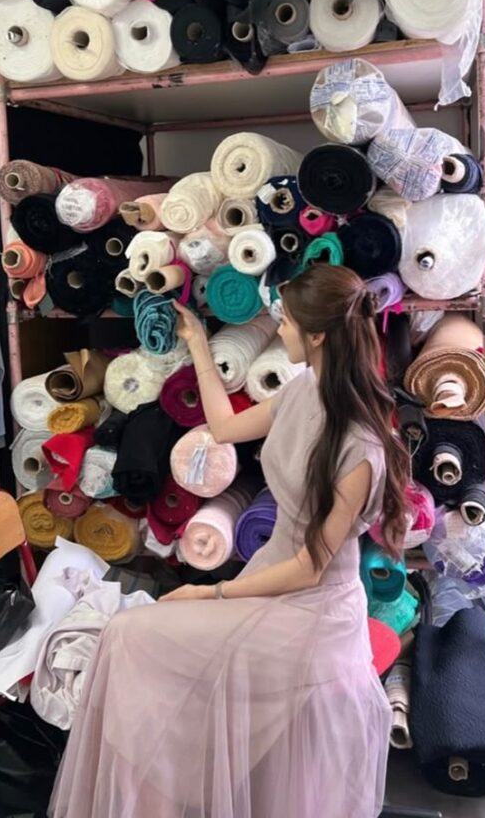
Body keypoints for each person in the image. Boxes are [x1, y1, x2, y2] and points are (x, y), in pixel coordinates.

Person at [49, 263, 409, 818]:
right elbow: (222, 426)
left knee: (130, 637)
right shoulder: (304, 390)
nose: (278, 331)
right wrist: (196, 341)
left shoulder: (361, 448)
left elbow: (312, 567)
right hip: (271, 584)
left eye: (285, 323)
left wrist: (208, 593)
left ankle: (155, 800)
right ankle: (160, 797)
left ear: (316, 335)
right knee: (132, 639)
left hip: (312, 615)